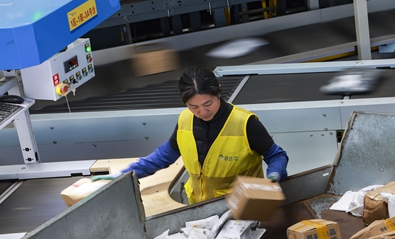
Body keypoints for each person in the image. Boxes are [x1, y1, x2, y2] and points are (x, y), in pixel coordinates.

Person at [122, 68, 288, 204]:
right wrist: (125, 174)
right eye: (193, 106)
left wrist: (274, 175)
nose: (202, 112)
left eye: (208, 104)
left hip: (244, 207)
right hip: (200, 208)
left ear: (219, 91)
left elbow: (276, 155)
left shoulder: (245, 123)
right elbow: (165, 155)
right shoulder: (185, 119)